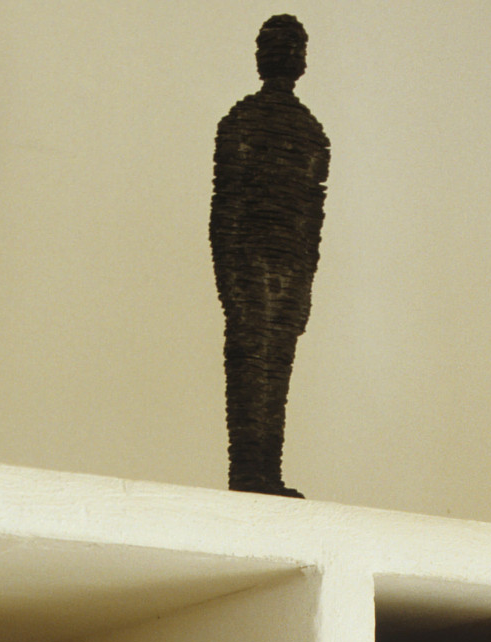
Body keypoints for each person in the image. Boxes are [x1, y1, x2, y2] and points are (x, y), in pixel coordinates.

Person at [210, 15, 329, 496]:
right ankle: (248, 475)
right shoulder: (242, 122)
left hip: (286, 276)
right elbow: (227, 209)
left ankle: (266, 474)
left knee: (274, 369)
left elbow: (310, 218)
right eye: (276, 47)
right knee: (250, 366)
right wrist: (231, 282)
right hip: (251, 272)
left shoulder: (310, 133)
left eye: (291, 47)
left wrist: (303, 285)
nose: (284, 56)